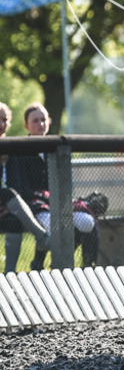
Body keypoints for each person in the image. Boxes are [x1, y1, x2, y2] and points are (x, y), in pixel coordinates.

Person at [9, 102, 99, 269]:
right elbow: (18, 187)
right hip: (34, 205)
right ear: (26, 125)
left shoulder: (57, 148)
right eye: (35, 121)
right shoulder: (18, 150)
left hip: (59, 203)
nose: (40, 124)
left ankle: (88, 265)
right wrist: (46, 197)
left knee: (87, 221)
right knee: (56, 225)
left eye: (43, 120)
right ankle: (42, 264)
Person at [0, 102, 51, 273]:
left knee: (14, 222)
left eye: (4, 119)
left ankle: (9, 274)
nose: (1, 124)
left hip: (5, 203)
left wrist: (6, 206)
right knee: (8, 193)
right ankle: (42, 236)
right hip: (6, 196)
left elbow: (13, 182)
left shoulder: (9, 147)